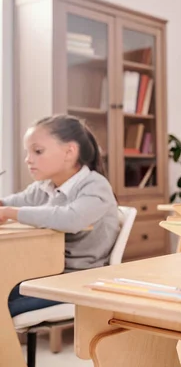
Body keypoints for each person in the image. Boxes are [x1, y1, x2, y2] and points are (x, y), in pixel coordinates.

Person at [2, 114, 119, 317]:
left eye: (37, 151)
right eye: (27, 152)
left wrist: (10, 213)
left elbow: (70, 218)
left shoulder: (95, 186)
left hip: (77, 279)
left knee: (3, 304)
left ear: (69, 152)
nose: (28, 159)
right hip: (46, 272)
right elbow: (11, 202)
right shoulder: (44, 187)